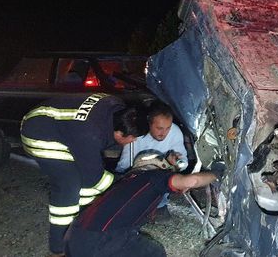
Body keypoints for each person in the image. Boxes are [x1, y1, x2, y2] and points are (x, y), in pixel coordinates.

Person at [20, 92, 142, 256]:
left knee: (87, 182)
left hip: (61, 127)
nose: (133, 141)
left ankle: (82, 229)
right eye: (132, 138)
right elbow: (93, 178)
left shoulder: (117, 109)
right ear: (119, 134)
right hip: (37, 132)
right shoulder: (90, 133)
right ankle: (58, 247)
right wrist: (121, 184)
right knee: (68, 183)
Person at [64, 152, 226, 257]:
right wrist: (217, 173)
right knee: (153, 252)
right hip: (103, 240)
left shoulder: (130, 180)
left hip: (76, 236)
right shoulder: (153, 177)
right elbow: (192, 180)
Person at [114, 100, 187, 219]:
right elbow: (124, 164)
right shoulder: (136, 133)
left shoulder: (175, 132)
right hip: (137, 175)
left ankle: (159, 206)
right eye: (159, 128)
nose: (164, 133)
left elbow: (183, 161)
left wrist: (177, 163)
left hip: (159, 178)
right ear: (149, 123)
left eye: (167, 128)